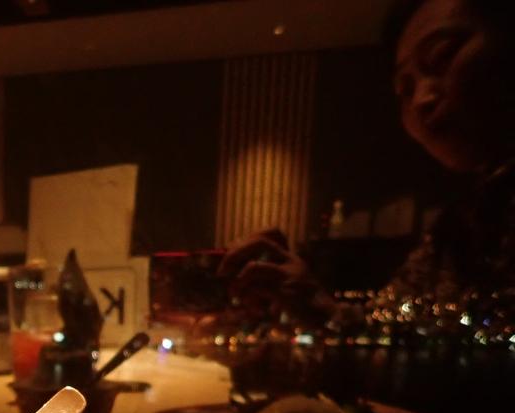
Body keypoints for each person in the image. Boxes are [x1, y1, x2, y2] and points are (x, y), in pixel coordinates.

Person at [218, 0, 515, 333]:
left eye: (442, 56)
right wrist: (315, 304)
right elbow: (390, 333)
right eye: (405, 89)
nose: (421, 99)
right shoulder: (459, 225)